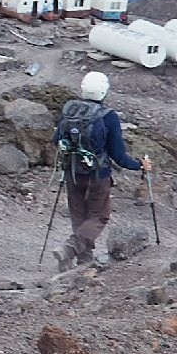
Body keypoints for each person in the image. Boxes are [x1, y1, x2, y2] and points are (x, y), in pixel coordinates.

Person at [52, 70, 151, 267]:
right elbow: (119, 157)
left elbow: (56, 141)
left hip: (72, 172)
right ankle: (70, 248)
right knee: (99, 216)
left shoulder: (70, 111)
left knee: (79, 216)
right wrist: (140, 164)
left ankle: (82, 260)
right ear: (104, 91)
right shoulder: (108, 117)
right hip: (98, 175)